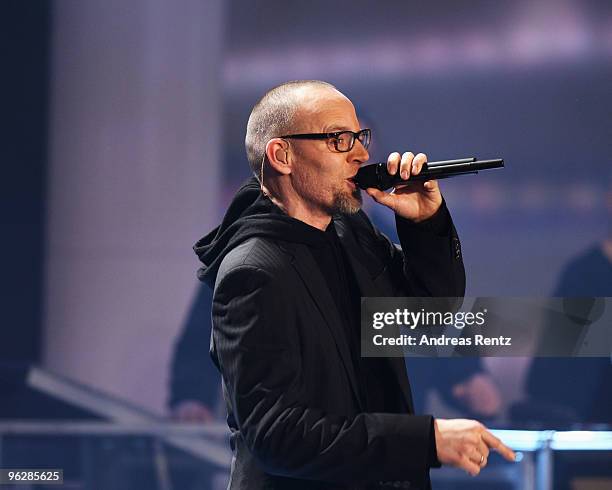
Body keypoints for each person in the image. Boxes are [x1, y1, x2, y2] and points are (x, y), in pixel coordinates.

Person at [194, 80, 515, 490]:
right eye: (339, 139)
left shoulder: (352, 232)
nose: (362, 155)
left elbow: (428, 316)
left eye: (359, 138)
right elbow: (278, 435)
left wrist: (423, 224)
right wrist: (425, 440)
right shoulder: (253, 271)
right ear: (282, 155)